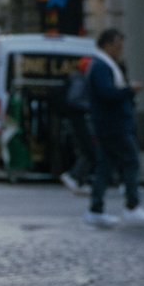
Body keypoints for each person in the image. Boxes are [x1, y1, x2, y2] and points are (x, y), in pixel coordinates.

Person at [84, 30, 144, 227]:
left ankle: (96, 209)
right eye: (118, 46)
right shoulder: (101, 66)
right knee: (131, 160)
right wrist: (129, 90)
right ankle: (132, 205)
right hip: (113, 124)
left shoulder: (101, 65)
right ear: (108, 45)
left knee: (105, 167)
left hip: (108, 124)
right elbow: (107, 93)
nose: (120, 50)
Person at [59, 56, 98, 193]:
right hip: (80, 120)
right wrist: (91, 106)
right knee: (88, 150)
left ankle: (79, 180)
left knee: (87, 151)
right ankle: (74, 176)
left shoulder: (78, 78)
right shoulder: (79, 80)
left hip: (79, 119)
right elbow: (74, 99)